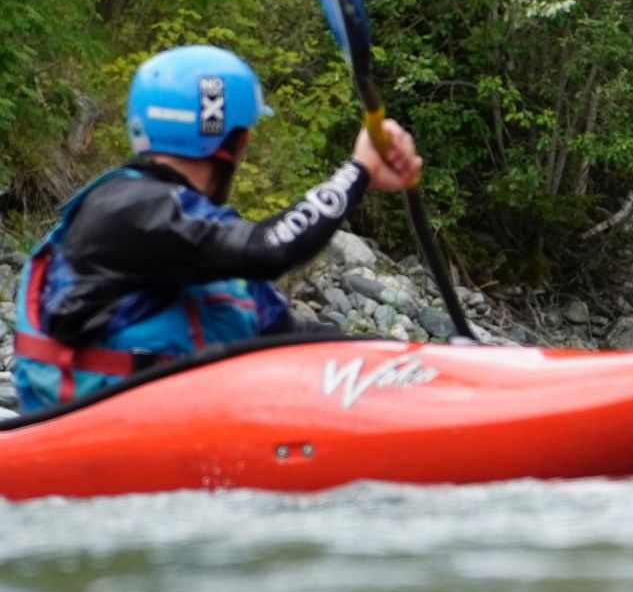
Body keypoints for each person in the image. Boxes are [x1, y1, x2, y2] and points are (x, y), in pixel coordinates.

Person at [12, 45, 423, 413]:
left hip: (179, 443)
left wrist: (414, 364)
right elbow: (271, 250)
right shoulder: (125, 209)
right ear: (233, 142)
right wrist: (357, 171)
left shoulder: (192, 234)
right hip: (97, 441)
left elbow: (297, 337)